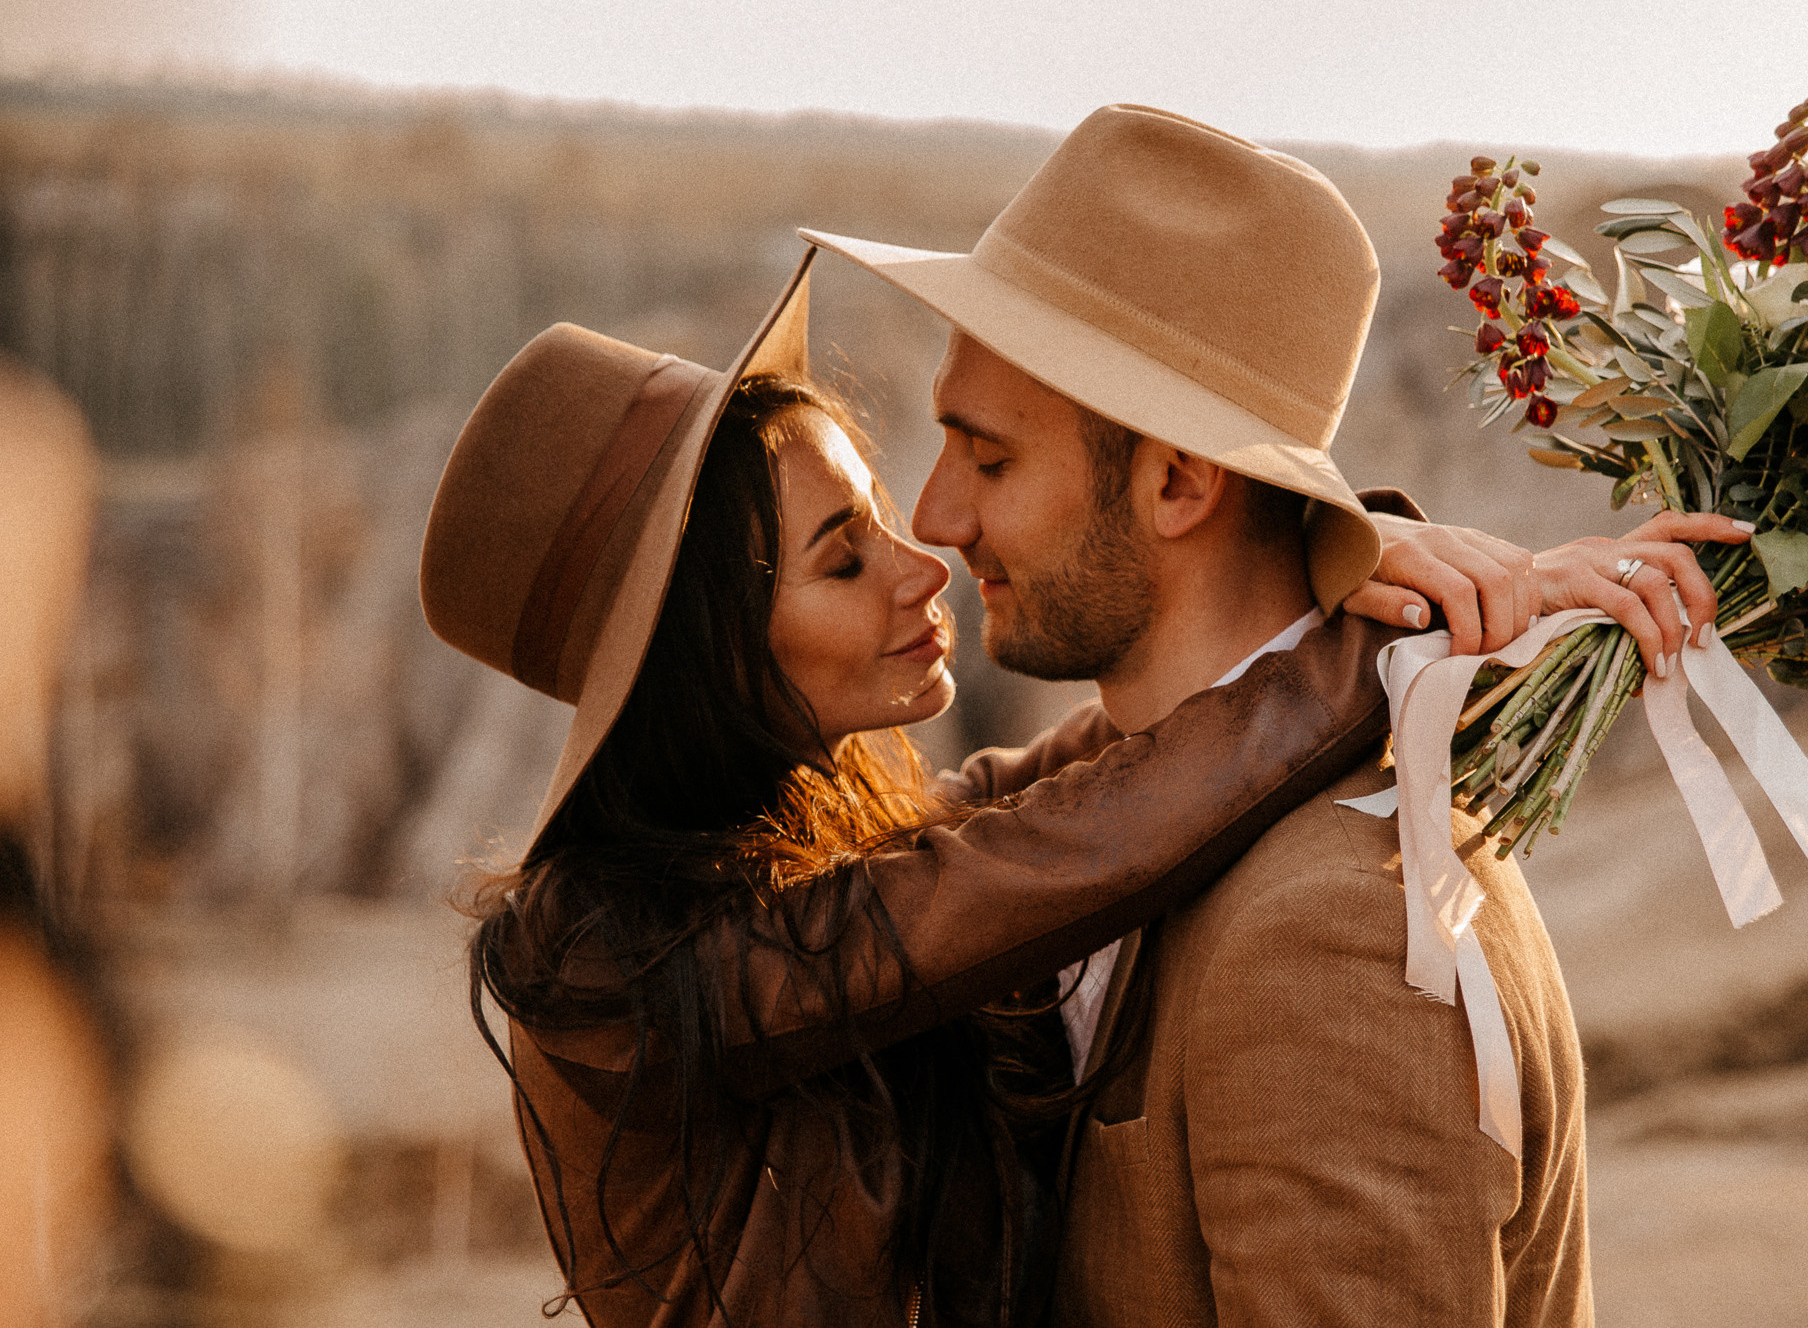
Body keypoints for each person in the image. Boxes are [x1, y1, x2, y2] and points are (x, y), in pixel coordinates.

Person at [418, 258, 1551, 1325]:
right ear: (703, 658)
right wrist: (1361, 634)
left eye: (881, 516)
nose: (925, 557)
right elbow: (1046, 854)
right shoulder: (625, 967)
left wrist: (1334, 550)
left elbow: (1075, 783)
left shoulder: (794, 853)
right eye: (842, 559)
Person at [802, 103, 1753, 1324]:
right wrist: (1358, 554)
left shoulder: (1327, 936)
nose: (935, 518)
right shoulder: (1141, 791)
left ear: (1180, 481)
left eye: (989, 462)